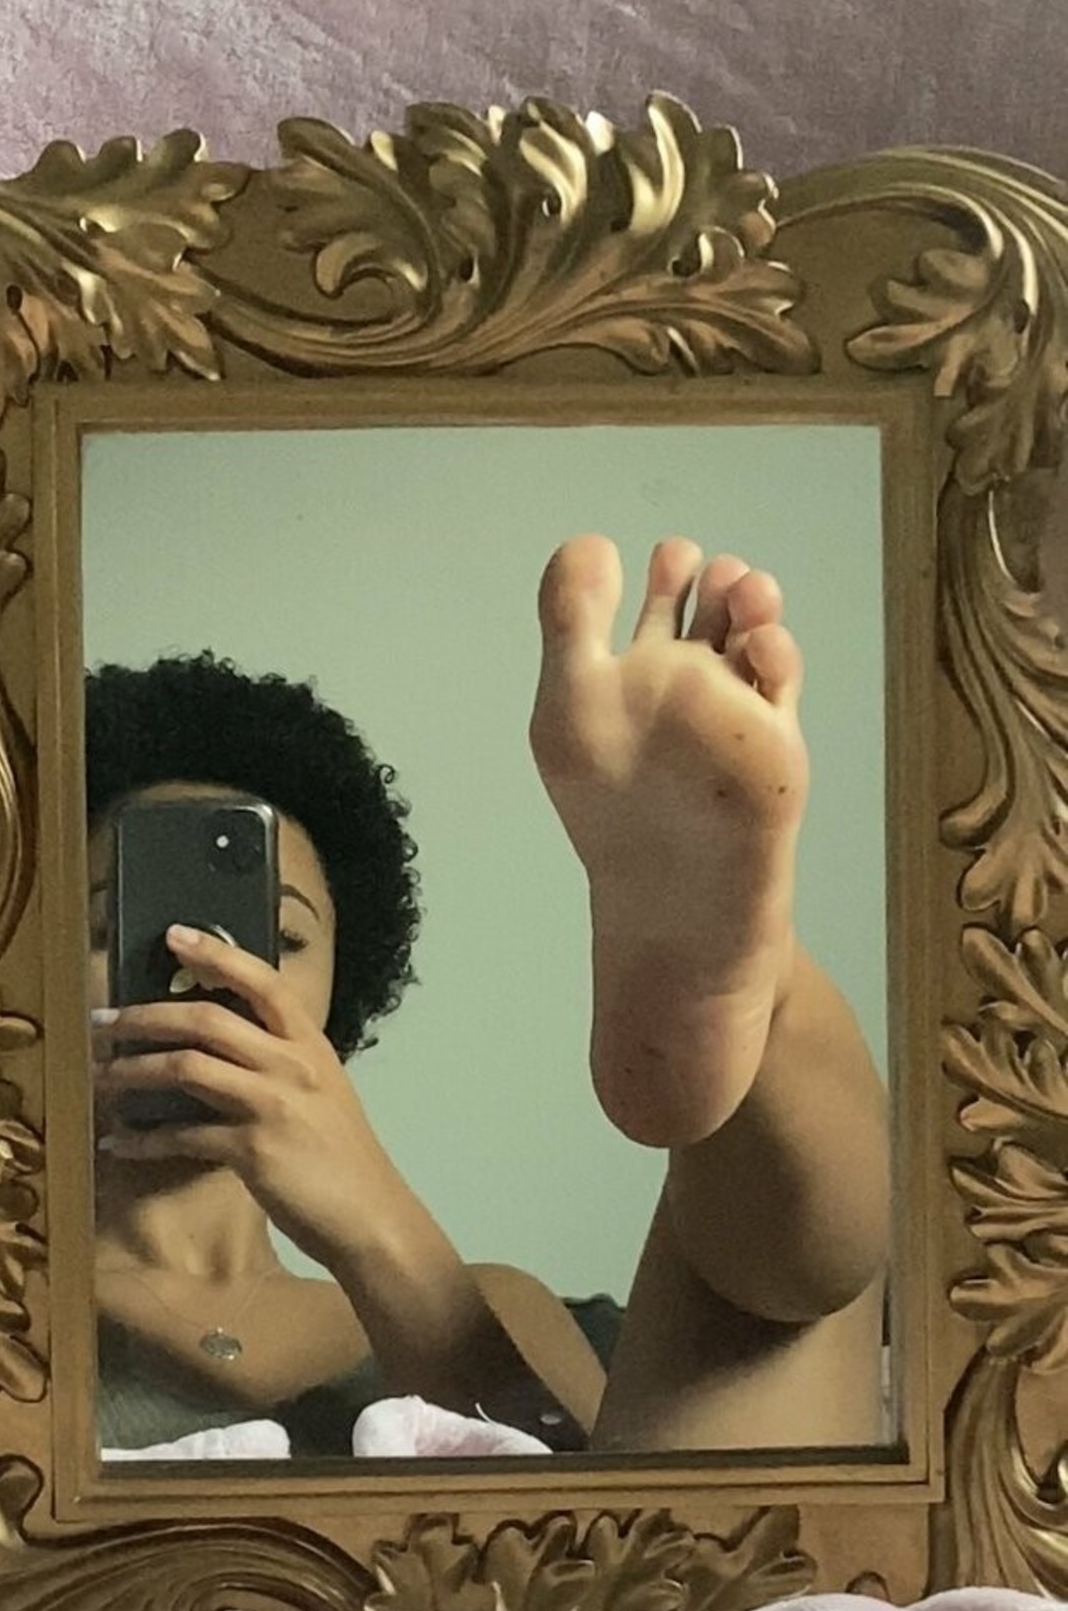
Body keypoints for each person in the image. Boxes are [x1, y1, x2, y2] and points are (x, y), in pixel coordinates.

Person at [89, 535, 889, 1456]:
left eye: (281, 938)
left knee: (778, 1296)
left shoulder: (499, 1307)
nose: (201, 971)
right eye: (116, 930)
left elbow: (567, 1525)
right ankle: (748, 984)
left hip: (628, 1515)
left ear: (338, 998)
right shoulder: (15, 1320)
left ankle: (746, 977)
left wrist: (379, 1234)